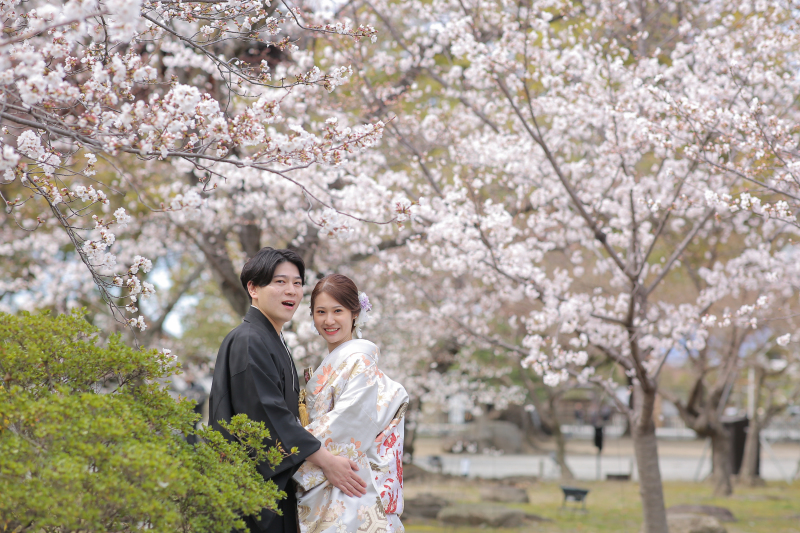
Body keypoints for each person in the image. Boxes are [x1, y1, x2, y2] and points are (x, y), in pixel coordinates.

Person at [208, 249, 367, 533]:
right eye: (280, 282)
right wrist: (326, 461)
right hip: (253, 494)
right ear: (253, 288)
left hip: (270, 487)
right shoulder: (248, 340)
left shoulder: (272, 339)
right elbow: (269, 415)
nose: (291, 291)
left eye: (297, 283)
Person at [294, 274, 409, 533]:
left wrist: (290, 450)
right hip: (332, 472)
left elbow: (348, 422)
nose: (329, 320)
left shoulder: (360, 360)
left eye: (338, 311)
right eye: (320, 312)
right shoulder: (338, 361)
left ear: (355, 313)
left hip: (345, 477)